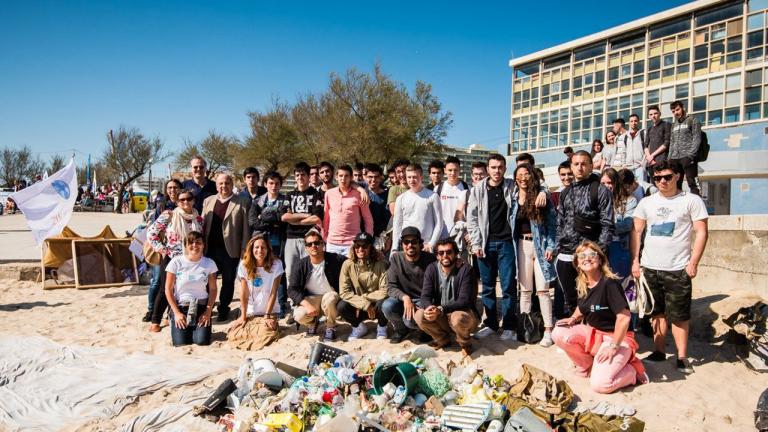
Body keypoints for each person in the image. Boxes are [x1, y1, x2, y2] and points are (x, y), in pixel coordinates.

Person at [631, 160, 708, 374]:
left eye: (667, 177)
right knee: (657, 313)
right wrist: (635, 261)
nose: (662, 181)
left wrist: (694, 262)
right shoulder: (647, 202)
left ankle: (682, 357)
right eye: (657, 178)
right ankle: (659, 350)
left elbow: (701, 231)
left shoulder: (691, 201)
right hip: (650, 267)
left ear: (678, 176)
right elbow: (637, 232)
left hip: (678, 268)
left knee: (680, 315)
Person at [552, 241, 648, 394]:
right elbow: (583, 306)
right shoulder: (582, 283)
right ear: (577, 262)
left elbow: (624, 318)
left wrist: (613, 347)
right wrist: (573, 318)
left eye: (592, 255)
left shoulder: (609, 283)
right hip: (596, 335)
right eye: (582, 256)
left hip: (618, 339)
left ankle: (632, 373)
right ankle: (587, 365)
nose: (587, 258)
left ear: (600, 259)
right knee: (558, 332)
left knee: (600, 385)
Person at [555, 151, 614, 320]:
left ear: (590, 166)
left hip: (589, 255)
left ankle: (593, 334)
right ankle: (577, 334)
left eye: (584, 163)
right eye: (576, 164)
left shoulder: (600, 191)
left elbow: (607, 224)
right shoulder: (566, 192)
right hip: (566, 253)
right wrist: (559, 246)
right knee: (571, 299)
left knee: (593, 298)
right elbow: (560, 221)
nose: (579, 168)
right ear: (571, 166)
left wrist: (599, 251)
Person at [466, 154, 520, 340]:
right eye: (493, 167)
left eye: (500, 167)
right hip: (485, 244)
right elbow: (471, 218)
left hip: (506, 243)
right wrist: (476, 243)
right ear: (488, 169)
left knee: (508, 286)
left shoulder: (511, 186)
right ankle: (490, 323)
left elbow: (536, 185)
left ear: (505, 168)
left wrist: (544, 192)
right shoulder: (477, 190)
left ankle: (509, 325)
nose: (497, 171)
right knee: (487, 287)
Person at [511, 164, 557, 347]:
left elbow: (553, 224)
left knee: (543, 290)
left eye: (526, 174)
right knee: (525, 291)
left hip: (541, 246)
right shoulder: (513, 197)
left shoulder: (541, 196)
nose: (523, 178)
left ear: (532, 176)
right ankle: (525, 328)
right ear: (515, 178)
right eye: (520, 175)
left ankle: (548, 330)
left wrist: (551, 246)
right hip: (521, 246)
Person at [146, 188, 204, 332]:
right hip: (172, 258)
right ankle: (155, 320)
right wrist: (162, 249)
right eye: (182, 199)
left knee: (184, 288)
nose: (185, 202)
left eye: (188, 199)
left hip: (192, 260)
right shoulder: (169, 215)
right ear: (177, 202)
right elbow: (151, 233)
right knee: (165, 288)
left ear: (193, 201)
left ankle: (174, 315)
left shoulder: (198, 219)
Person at [415, 239, 480, 357]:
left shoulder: (465, 269)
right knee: (420, 315)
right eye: (441, 253)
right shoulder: (432, 269)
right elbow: (425, 296)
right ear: (437, 255)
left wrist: (441, 309)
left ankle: (465, 344)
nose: (445, 255)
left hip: (464, 314)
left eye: (449, 252)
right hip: (442, 315)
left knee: (457, 317)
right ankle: (443, 340)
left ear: (455, 253)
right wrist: (430, 308)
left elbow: (464, 301)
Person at [202, 173, 250, 321]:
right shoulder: (208, 201)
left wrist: (244, 248)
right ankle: (206, 308)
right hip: (210, 249)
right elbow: (202, 224)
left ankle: (224, 308)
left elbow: (246, 228)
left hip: (231, 249)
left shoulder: (242, 202)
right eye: (221, 183)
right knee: (208, 281)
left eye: (227, 183)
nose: (224, 186)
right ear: (216, 185)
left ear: (232, 184)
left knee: (228, 281)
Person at [227, 235, 284, 350]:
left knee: (266, 333)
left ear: (268, 250)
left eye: (263, 247)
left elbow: (273, 292)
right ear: (251, 250)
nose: (260, 250)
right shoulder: (244, 265)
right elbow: (243, 293)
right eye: (256, 247)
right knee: (235, 334)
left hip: (269, 311)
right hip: (250, 311)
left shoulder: (277, 264)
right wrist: (243, 316)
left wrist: (267, 315)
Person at [288, 229, 345, 341]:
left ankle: (330, 327)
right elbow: (292, 289)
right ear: (306, 248)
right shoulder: (300, 265)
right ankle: (312, 323)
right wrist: (306, 305)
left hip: (330, 298)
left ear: (322, 244)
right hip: (311, 299)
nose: (313, 246)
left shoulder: (335, 259)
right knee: (299, 315)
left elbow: (352, 262)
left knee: (330, 297)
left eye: (317, 243)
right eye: (310, 244)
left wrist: (376, 256)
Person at [164, 231, 218, 346]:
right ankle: (173, 321)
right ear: (185, 245)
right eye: (191, 243)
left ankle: (200, 330)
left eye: (198, 242)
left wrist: (208, 311)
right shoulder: (176, 262)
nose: (195, 245)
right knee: (180, 343)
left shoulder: (209, 263)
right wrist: (177, 313)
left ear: (203, 245)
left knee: (201, 341)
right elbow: (168, 289)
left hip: (201, 308)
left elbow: (213, 289)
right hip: (181, 307)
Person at [383, 226, 436, 342]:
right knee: (387, 306)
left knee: (410, 321)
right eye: (406, 242)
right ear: (402, 244)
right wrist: (405, 297)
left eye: (414, 242)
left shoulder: (431, 259)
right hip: (404, 300)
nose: (410, 245)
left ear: (420, 243)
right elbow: (391, 287)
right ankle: (401, 330)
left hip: (425, 300)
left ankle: (425, 329)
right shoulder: (396, 258)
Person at [337, 232, 389, 340]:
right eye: (357, 246)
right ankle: (358, 327)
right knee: (341, 306)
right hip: (358, 305)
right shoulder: (347, 264)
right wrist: (363, 303)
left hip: (375, 304)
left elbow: (385, 290)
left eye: (364, 246)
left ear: (371, 248)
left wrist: (365, 298)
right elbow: (344, 292)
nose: (360, 249)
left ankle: (382, 327)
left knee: (384, 302)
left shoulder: (381, 264)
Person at [144, 179, 182, 323]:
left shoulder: (185, 203)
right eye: (170, 187)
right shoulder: (162, 206)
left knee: (173, 284)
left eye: (176, 187)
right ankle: (151, 310)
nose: (173, 190)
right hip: (163, 250)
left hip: (178, 253)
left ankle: (169, 312)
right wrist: (161, 247)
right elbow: (152, 228)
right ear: (166, 190)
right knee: (157, 282)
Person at [282, 162, 324, 286]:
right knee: (290, 271)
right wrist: (306, 215)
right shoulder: (289, 195)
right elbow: (284, 217)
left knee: (309, 270)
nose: (300, 177)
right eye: (297, 175)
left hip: (309, 238)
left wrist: (295, 219)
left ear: (308, 176)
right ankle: (295, 299)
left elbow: (317, 218)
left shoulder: (316, 195)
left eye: (303, 175)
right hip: (291, 238)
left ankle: (308, 298)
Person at [322, 164, 374, 256]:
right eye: (341, 176)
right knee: (332, 270)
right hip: (332, 243)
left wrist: (367, 239)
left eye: (346, 176)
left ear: (351, 178)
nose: (343, 179)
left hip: (352, 243)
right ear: (336, 177)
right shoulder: (329, 194)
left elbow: (368, 219)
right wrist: (324, 236)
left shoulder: (359, 194)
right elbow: (326, 218)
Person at [391, 164, 444, 253]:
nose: (412, 180)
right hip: (406, 246)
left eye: (415, 177)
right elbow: (397, 224)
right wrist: (394, 248)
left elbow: (439, 223)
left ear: (421, 177)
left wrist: (431, 244)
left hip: (425, 247)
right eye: (409, 177)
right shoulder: (401, 198)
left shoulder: (433, 196)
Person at [600, 168, 637, 278]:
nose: (606, 186)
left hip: (619, 245)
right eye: (603, 183)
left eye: (609, 182)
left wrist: (605, 228)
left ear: (616, 183)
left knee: (622, 282)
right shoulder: (596, 201)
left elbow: (628, 224)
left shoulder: (629, 200)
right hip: (601, 247)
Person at [668, 100, 702, 196]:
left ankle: (697, 204)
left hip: (688, 157)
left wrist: (691, 155)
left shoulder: (692, 120)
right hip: (674, 159)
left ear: (683, 108)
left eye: (677, 110)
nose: (676, 113)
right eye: (673, 111)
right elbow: (672, 141)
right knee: (675, 184)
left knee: (693, 183)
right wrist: (669, 158)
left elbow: (697, 139)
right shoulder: (673, 125)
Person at [435, 156, 470, 236]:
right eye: (450, 170)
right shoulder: (437, 189)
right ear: (445, 170)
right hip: (441, 234)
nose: (453, 173)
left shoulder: (467, 188)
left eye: (455, 170)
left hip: (461, 234)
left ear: (459, 170)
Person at [364, 163, 391, 252]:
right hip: (364, 237)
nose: (373, 180)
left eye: (376, 177)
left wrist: (389, 238)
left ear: (381, 178)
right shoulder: (362, 192)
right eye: (370, 177)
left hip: (382, 238)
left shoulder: (388, 194)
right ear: (365, 177)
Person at [614, 114, 646, 182]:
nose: (633, 123)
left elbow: (647, 148)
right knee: (629, 188)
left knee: (641, 187)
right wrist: (623, 164)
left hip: (639, 167)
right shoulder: (625, 136)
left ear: (639, 122)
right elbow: (623, 152)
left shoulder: (643, 134)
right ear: (629, 123)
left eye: (635, 121)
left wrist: (643, 163)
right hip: (628, 167)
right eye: (631, 121)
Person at [642, 105, 671, 181]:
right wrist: (649, 158)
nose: (653, 116)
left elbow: (666, 143)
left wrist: (652, 155)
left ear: (660, 113)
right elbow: (645, 145)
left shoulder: (666, 125)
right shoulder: (649, 129)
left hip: (662, 160)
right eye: (651, 114)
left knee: (663, 183)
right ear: (649, 116)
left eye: (655, 113)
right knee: (654, 184)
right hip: (650, 162)